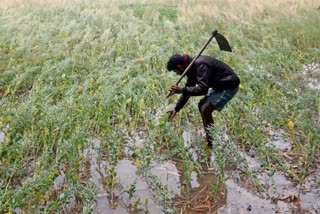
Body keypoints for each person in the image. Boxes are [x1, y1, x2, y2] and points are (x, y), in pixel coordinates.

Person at [166, 54, 240, 149]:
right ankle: (209, 137)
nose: (177, 74)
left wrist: (182, 90)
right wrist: (177, 109)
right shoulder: (190, 68)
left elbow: (203, 89)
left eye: (175, 71)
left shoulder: (201, 64)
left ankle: (211, 143)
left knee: (206, 110)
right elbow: (188, 90)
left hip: (229, 85)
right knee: (201, 105)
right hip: (218, 85)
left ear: (180, 67)